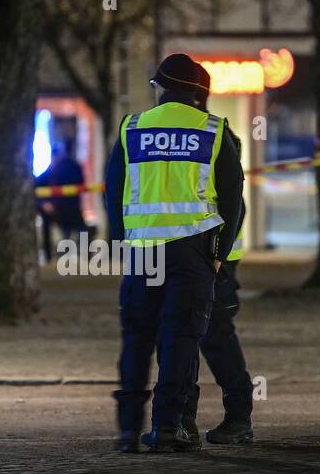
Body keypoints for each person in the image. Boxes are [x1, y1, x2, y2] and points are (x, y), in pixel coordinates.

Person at [105, 53, 243, 453]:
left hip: (143, 251)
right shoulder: (213, 130)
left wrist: (123, 243)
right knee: (180, 338)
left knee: (137, 339)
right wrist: (219, 252)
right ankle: (168, 428)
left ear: (161, 88)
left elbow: (114, 191)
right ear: (200, 94)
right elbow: (232, 197)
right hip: (192, 250)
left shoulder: (132, 128)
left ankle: (128, 430)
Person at [178, 69, 254, 445]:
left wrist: (219, 254)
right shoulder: (212, 133)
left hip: (213, 258)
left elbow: (233, 202)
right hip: (203, 256)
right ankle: (185, 419)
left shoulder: (217, 134)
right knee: (191, 336)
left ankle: (237, 418)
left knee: (213, 337)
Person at [37, 142, 86, 261]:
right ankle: (79, 254)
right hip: (68, 210)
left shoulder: (54, 170)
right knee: (78, 230)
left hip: (62, 210)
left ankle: (54, 254)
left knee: (68, 231)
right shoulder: (73, 167)